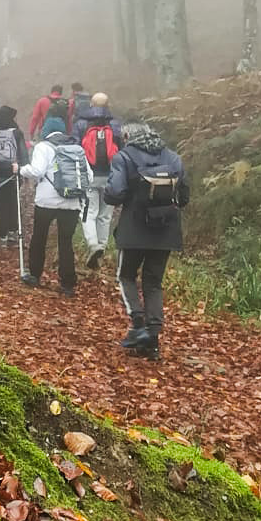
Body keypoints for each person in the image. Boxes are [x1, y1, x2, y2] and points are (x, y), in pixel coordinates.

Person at [105, 120, 190, 358]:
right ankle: (152, 340)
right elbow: (184, 197)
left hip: (134, 229)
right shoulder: (173, 158)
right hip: (166, 230)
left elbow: (115, 193)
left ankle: (138, 323)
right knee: (153, 282)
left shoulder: (124, 157)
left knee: (125, 276)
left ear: (128, 137)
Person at [19, 126, 89, 293]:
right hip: (71, 202)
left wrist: (21, 170)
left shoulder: (43, 147)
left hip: (46, 201)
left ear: (46, 133)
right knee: (65, 242)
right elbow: (89, 176)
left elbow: (36, 171)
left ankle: (35, 275)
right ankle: (67, 283)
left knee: (39, 237)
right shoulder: (77, 149)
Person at [74, 91, 119, 268]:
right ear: (108, 105)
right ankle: (102, 247)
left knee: (88, 212)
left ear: (91, 105)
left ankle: (93, 245)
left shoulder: (81, 124)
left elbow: (76, 149)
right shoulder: (115, 124)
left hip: (89, 175)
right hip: (110, 176)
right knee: (105, 215)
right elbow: (121, 151)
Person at [0, 102, 26, 247]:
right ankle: (13, 232)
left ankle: (1, 235)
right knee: (12, 202)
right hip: (13, 172)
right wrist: (23, 168)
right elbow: (22, 153)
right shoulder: (16, 132)